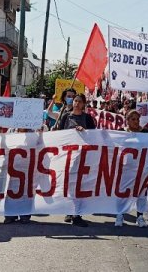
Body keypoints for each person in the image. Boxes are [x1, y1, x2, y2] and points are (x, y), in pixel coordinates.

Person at [57, 93, 96, 227]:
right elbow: (60, 135)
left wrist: (84, 131)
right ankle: (69, 211)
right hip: (68, 157)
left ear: (84, 104)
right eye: (75, 101)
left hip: (83, 157)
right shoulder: (65, 117)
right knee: (69, 185)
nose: (77, 103)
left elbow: (94, 136)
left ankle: (77, 214)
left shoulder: (88, 118)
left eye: (80, 101)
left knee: (80, 185)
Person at [115, 110, 148, 227]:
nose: (136, 122)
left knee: (141, 193)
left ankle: (139, 216)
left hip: (141, 169)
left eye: (137, 119)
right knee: (123, 192)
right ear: (127, 120)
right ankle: (120, 214)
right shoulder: (121, 133)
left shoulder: (145, 133)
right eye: (133, 119)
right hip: (125, 169)